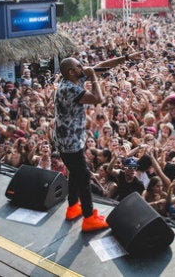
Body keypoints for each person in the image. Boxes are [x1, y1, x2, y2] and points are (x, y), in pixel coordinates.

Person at [54, 53, 139, 232]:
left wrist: (126, 57)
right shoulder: (69, 89)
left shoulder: (71, 80)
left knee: (75, 174)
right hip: (69, 143)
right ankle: (89, 217)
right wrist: (92, 76)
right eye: (79, 66)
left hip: (67, 139)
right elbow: (98, 98)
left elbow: (102, 66)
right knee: (84, 176)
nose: (82, 67)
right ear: (71, 72)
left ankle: (72, 207)